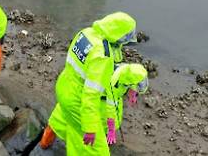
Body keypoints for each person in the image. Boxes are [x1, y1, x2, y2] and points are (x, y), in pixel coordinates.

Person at [39, 12, 137, 155]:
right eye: (125, 37)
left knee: (63, 117)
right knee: (94, 149)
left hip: (65, 85)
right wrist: (90, 128)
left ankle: (44, 142)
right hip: (77, 99)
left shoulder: (87, 33)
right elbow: (90, 94)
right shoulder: (103, 57)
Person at [41, 63, 149, 152]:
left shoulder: (122, 70)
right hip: (93, 103)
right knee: (85, 129)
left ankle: (44, 143)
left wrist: (133, 94)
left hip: (76, 95)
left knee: (60, 118)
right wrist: (111, 130)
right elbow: (111, 110)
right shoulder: (114, 85)